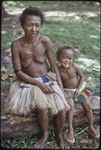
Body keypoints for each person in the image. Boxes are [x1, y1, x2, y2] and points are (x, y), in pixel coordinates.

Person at [5, 7, 70, 149]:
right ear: (23, 24)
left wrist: (60, 88)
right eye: (30, 25)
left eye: (37, 25)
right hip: (28, 81)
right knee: (42, 107)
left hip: (47, 78)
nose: (33, 29)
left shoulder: (44, 41)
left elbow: (53, 67)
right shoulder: (16, 45)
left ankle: (59, 135)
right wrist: (38, 84)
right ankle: (44, 134)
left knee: (62, 108)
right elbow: (18, 72)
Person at [56, 45, 100, 143]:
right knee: (71, 105)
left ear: (73, 59)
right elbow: (58, 84)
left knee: (87, 105)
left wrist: (79, 89)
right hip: (67, 92)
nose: (67, 60)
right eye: (64, 58)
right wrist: (63, 94)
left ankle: (91, 126)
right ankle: (70, 129)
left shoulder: (75, 67)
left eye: (69, 58)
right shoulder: (58, 71)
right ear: (58, 58)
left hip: (77, 91)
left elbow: (83, 78)